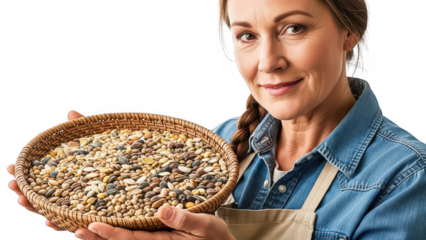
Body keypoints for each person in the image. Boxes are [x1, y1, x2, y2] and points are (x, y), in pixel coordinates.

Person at [6, 0, 426, 239]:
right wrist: (99, 203)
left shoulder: (406, 178)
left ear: (349, 31)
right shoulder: (219, 143)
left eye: (294, 28)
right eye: (246, 35)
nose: (268, 62)